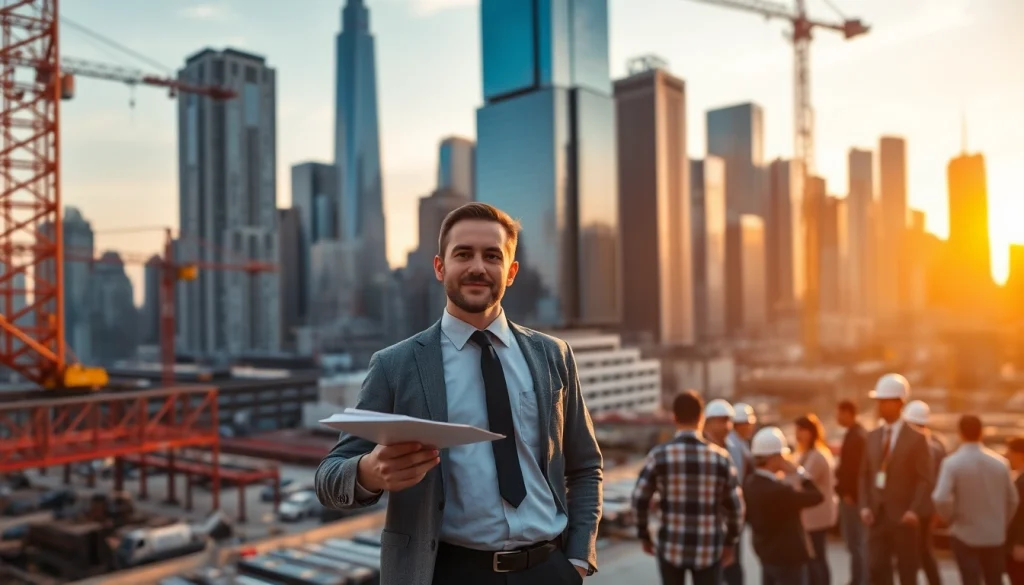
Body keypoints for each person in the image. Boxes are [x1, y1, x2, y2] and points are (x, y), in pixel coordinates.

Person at [314, 203, 603, 585]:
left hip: (548, 570)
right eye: (463, 254)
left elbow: (585, 467)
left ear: (511, 271)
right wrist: (369, 472)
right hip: (448, 573)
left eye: (492, 256)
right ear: (439, 267)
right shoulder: (395, 365)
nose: (478, 267)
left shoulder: (553, 355)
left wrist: (578, 561)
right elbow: (328, 479)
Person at [632, 390, 744, 585]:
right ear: (701, 418)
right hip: (709, 548)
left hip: (670, 547)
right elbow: (736, 508)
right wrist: (730, 542)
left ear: (674, 418)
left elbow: (639, 499)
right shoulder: (721, 458)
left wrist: (644, 535)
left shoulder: (659, 455)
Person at [858, 373, 933, 585]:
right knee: (877, 570)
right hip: (876, 516)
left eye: (884, 401)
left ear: (899, 403)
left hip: (903, 519)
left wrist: (914, 510)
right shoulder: (872, 437)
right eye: (878, 401)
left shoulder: (917, 439)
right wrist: (864, 506)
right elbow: (865, 475)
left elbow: (925, 479)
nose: (879, 406)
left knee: (907, 571)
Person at [932, 414, 1019, 585]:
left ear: (960, 434)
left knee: (970, 580)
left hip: (964, 533)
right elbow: (1013, 500)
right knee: (994, 579)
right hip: (994, 535)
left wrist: (951, 518)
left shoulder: (952, 463)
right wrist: (1001, 522)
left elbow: (940, 498)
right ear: (982, 433)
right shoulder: (1000, 463)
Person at [744, 426, 824, 585]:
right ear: (773, 458)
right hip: (789, 559)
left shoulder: (749, 484)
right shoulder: (780, 491)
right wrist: (800, 472)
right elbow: (817, 496)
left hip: (766, 555)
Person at [901, 400, 945, 585]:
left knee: (913, 554)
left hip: (915, 508)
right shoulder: (938, 445)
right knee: (925, 551)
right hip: (927, 508)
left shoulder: (917, 446)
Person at [704, 398, 746, 585]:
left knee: (733, 569)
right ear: (708, 422)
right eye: (721, 420)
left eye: (728, 421)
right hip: (708, 523)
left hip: (731, 521)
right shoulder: (701, 449)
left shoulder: (735, 449)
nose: (726, 426)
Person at [794, 414, 837, 585]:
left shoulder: (818, 455)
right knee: (814, 558)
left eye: (801, 430)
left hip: (817, 516)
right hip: (811, 516)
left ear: (811, 432)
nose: (797, 435)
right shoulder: (805, 453)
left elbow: (802, 481)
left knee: (817, 558)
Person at [835, 399, 867, 585]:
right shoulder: (855, 434)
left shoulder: (856, 437)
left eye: (839, 413)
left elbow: (855, 470)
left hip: (852, 499)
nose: (837, 418)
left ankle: (859, 580)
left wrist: (850, 494)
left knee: (856, 542)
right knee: (855, 542)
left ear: (848, 413)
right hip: (852, 497)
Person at [1006, 436, 1024, 585]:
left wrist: (1020, 542)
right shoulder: (1018, 476)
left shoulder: (1022, 480)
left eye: (1009, 452)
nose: (1007, 456)